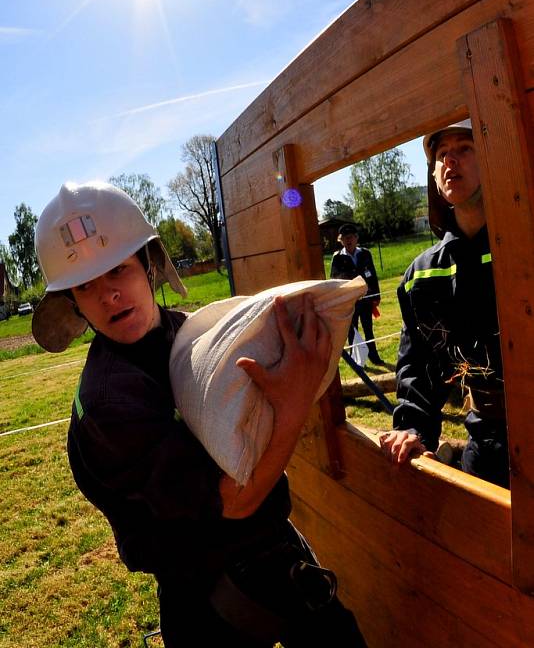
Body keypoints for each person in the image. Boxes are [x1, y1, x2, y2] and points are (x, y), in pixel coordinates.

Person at [32, 180, 366, 647]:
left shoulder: (181, 331)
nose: (108, 295)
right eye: (86, 286)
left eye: (118, 271)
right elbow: (233, 501)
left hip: (272, 555)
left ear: (149, 265)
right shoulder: (111, 403)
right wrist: (291, 406)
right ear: (72, 304)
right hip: (210, 602)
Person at [379, 120, 509, 488]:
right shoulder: (421, 276)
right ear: (434, 176)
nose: (451, 160)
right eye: (441, 154)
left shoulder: (521, 245)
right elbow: (418, 365)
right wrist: (412, 429)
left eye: (464, 148)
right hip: (485, 444)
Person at [330, 224, 383, 364]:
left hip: (366, 299)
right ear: (340, 240)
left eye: (351, 237)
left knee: (368, 328)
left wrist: (376, 296)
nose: (349, 240)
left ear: (356, 238)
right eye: (345, 238)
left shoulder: (365, 254)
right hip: (349, 301)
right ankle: (358, 360)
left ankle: (373, 356)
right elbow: (334, 281)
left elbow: (372, 275)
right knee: (352, 331)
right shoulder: (337, 258)